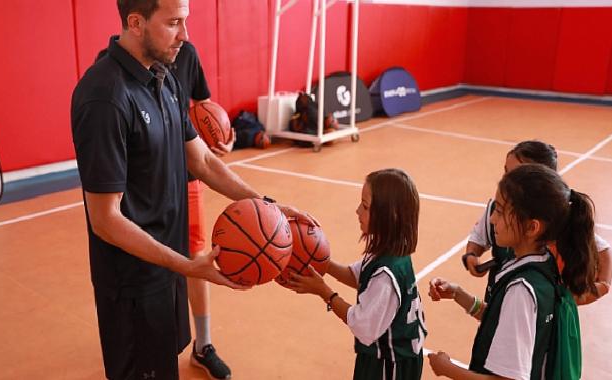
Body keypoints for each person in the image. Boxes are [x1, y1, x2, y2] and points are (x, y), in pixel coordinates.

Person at [71, 1, 314, 378]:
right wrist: (186, 265)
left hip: (164, 268)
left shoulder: (162, 78)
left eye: (185, 22)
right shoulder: (105, 97)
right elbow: (105, 220)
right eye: (173, 24)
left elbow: (202, 162)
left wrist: (268, 206)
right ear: (135, 23)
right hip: (133, 285)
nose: (185, 36)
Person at [428, 164, 599, 379]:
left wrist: (447, 368)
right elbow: (503, 321)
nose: (492, 219)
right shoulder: (544, 264)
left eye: (499, 211)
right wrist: (458, 294)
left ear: (531, 227)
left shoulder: (522, 289)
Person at [288, 168, 427, 380]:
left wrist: (324, 292)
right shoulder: (391, 249)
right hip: (389, 356)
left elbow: (362, 326)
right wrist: (318, 261)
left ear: (389, 216)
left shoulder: (385, 276)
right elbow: (357, 276)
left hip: (390, 365)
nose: (357, 211)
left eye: (365, 206)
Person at [462, 140, 610, 304]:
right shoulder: (496, 210)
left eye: (516, 173)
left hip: (535, 314)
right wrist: (471, 254)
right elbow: (478, 238)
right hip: (500, 301)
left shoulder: (560, 219)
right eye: (506, 172)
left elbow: (602, 251)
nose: (506, 179)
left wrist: (601, 286)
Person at [172, 42, 234, 379]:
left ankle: (203, 345)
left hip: (187, 173)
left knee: (197, 258)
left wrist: (222, 132)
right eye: (173, 21)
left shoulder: (187, 52)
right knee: (148, 261)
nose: (181, 31)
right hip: (146, 182)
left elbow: (204, 104)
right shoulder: (123, 65)